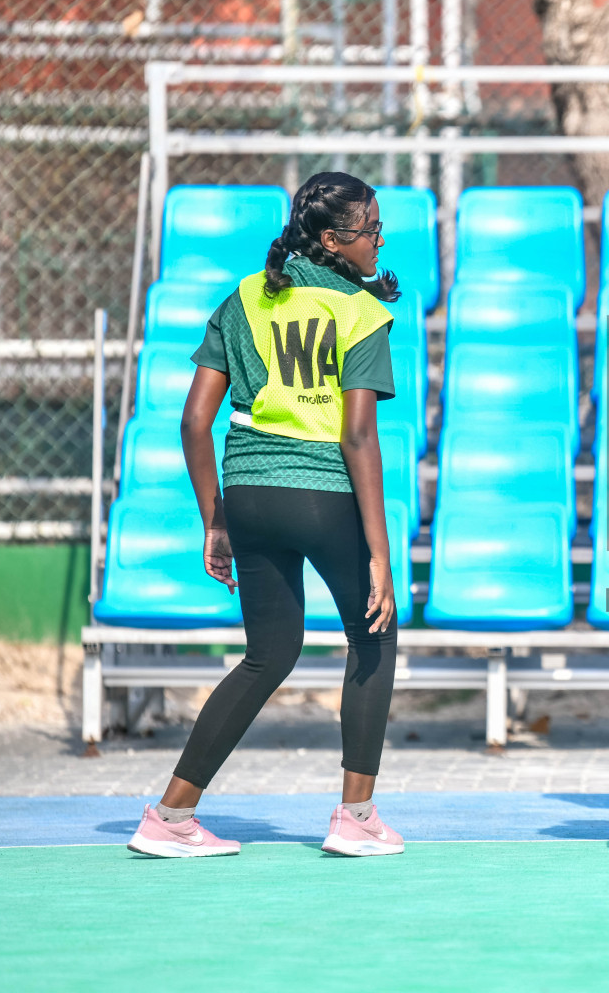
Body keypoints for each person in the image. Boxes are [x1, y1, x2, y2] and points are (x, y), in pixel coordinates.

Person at [126, 172, 405, 859]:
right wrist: (381, 554)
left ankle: (171, 816)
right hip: (320, 493)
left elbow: (195, 421)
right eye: (371, 229)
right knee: (373, 638)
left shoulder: (245, 296)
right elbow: (357, 437)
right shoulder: (360, 312)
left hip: (247, 491)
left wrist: (214, 518)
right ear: (335, 240)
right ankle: (356, 816)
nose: (380, 239)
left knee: (268, 653)